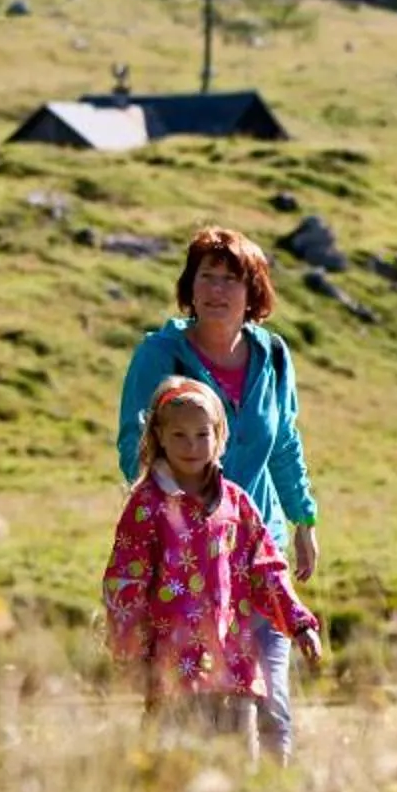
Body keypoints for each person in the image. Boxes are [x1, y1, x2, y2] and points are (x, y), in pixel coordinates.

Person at [116, 227, 321, 759]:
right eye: (206, 277)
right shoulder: (160, 354)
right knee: (187, 710)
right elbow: (130, 443)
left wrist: (303, 519)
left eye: (231, 280)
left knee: (272, 705)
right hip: (185, 562)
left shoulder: (273, 356)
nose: (216, 290)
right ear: (190, 284)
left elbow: (285, 442)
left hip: (257, 550)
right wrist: (176, 505)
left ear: (253, 293)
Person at [101, 376, 322, 746]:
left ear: (219, 436)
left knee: (238, 773)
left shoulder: (236, 504)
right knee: (173, 777)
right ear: (159, 436)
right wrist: (130, 652)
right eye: (179, 435)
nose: (191, 446)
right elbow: (124, 585)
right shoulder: (146, 507)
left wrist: (299, 624)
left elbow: (267, 569)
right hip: (171, 673)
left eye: (202, 435)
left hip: (235, 669)